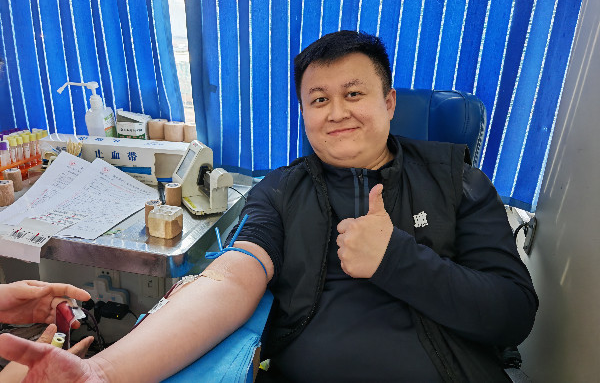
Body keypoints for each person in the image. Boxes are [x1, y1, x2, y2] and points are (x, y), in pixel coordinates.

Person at [0, 31, 537, 382]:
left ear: (389, 102)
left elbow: (513, 315)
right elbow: (231, 279)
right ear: (304, 113)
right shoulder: (280, 191)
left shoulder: (458, 182)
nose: (337, 112)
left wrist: (396, 258)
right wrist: (102, 374)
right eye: (319, 99)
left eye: (354, 94)